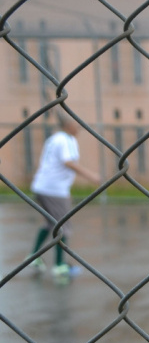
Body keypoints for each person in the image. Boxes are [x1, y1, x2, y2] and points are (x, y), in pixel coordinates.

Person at [29, 116, 100, 284]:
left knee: (49, 223)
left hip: (41, 186)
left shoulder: (54, 138)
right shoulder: (67, 140)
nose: (80, 127)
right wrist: (92, 176)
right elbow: (68, 162)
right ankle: (60, 266)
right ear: (68, 125)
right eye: (77, 124)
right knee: (63, 225)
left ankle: (34, 257)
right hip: (55, 190)